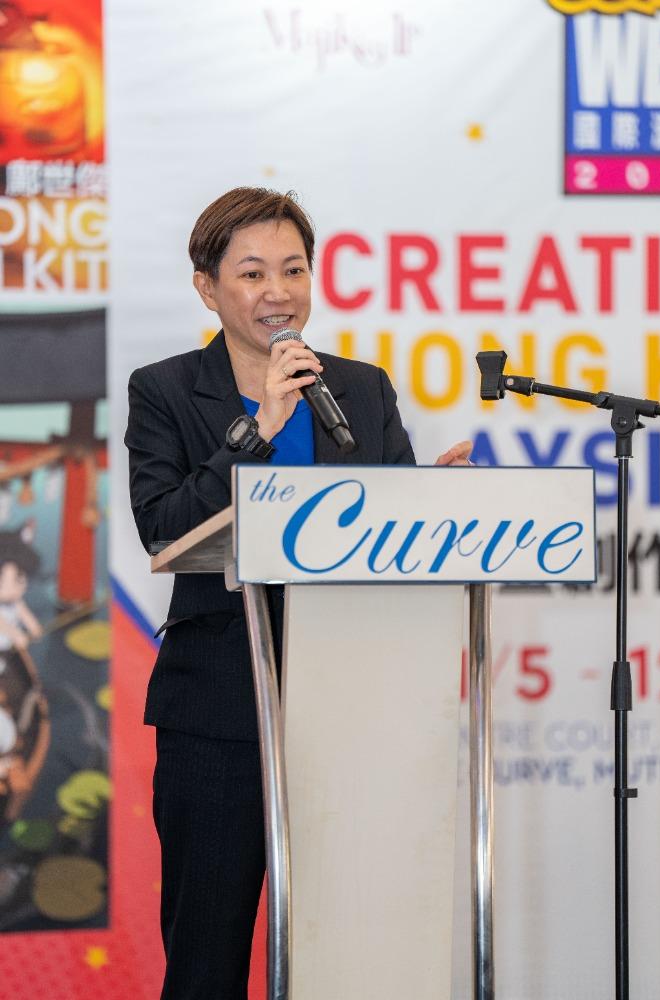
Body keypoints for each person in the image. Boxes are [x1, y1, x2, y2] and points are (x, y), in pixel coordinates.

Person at [125, 186, 472, 999]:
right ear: (208, 288)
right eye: (252, 272)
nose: (278, 290)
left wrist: (431, 504)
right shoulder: (167, 390)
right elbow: (164, 526)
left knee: (351, 953)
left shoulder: (360, 386)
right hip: (220, 714)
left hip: (354, 714)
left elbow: (382, 537)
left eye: (294, 268)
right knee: (207, 958)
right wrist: (258, 430)